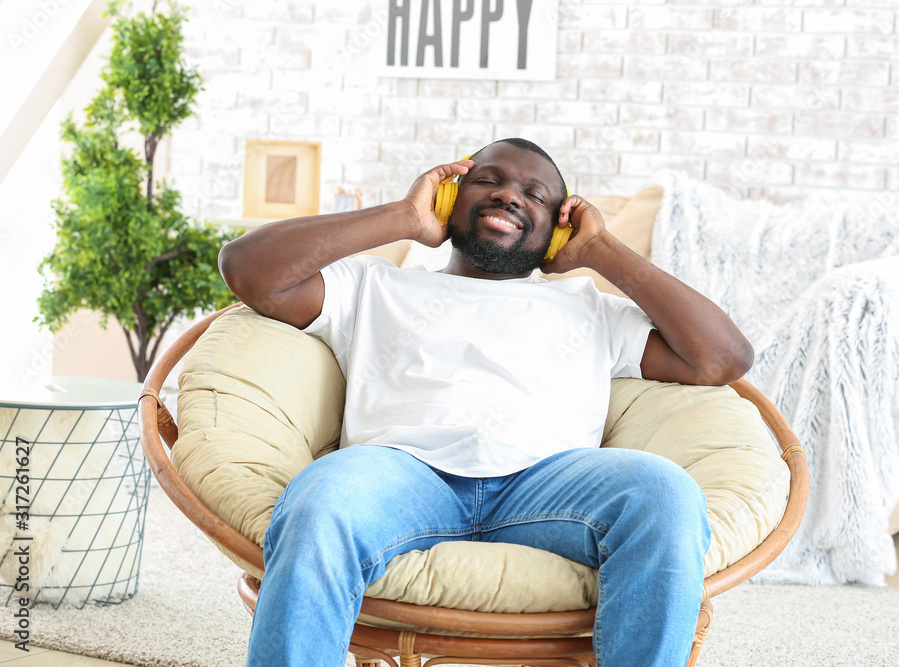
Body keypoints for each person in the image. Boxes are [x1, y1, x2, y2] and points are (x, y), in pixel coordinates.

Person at [219, 138, 754, 666]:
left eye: (535, 194)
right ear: (450, 199)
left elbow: (721, 359)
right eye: (487, 181)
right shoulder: (375, 286)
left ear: (557, 231)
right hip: (403, 476)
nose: (509, 197)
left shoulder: (591, 308)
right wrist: (404, 217)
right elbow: (248, 268)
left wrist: (599, 252)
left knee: (667, 494)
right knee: (320, 498)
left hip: (547, 485)